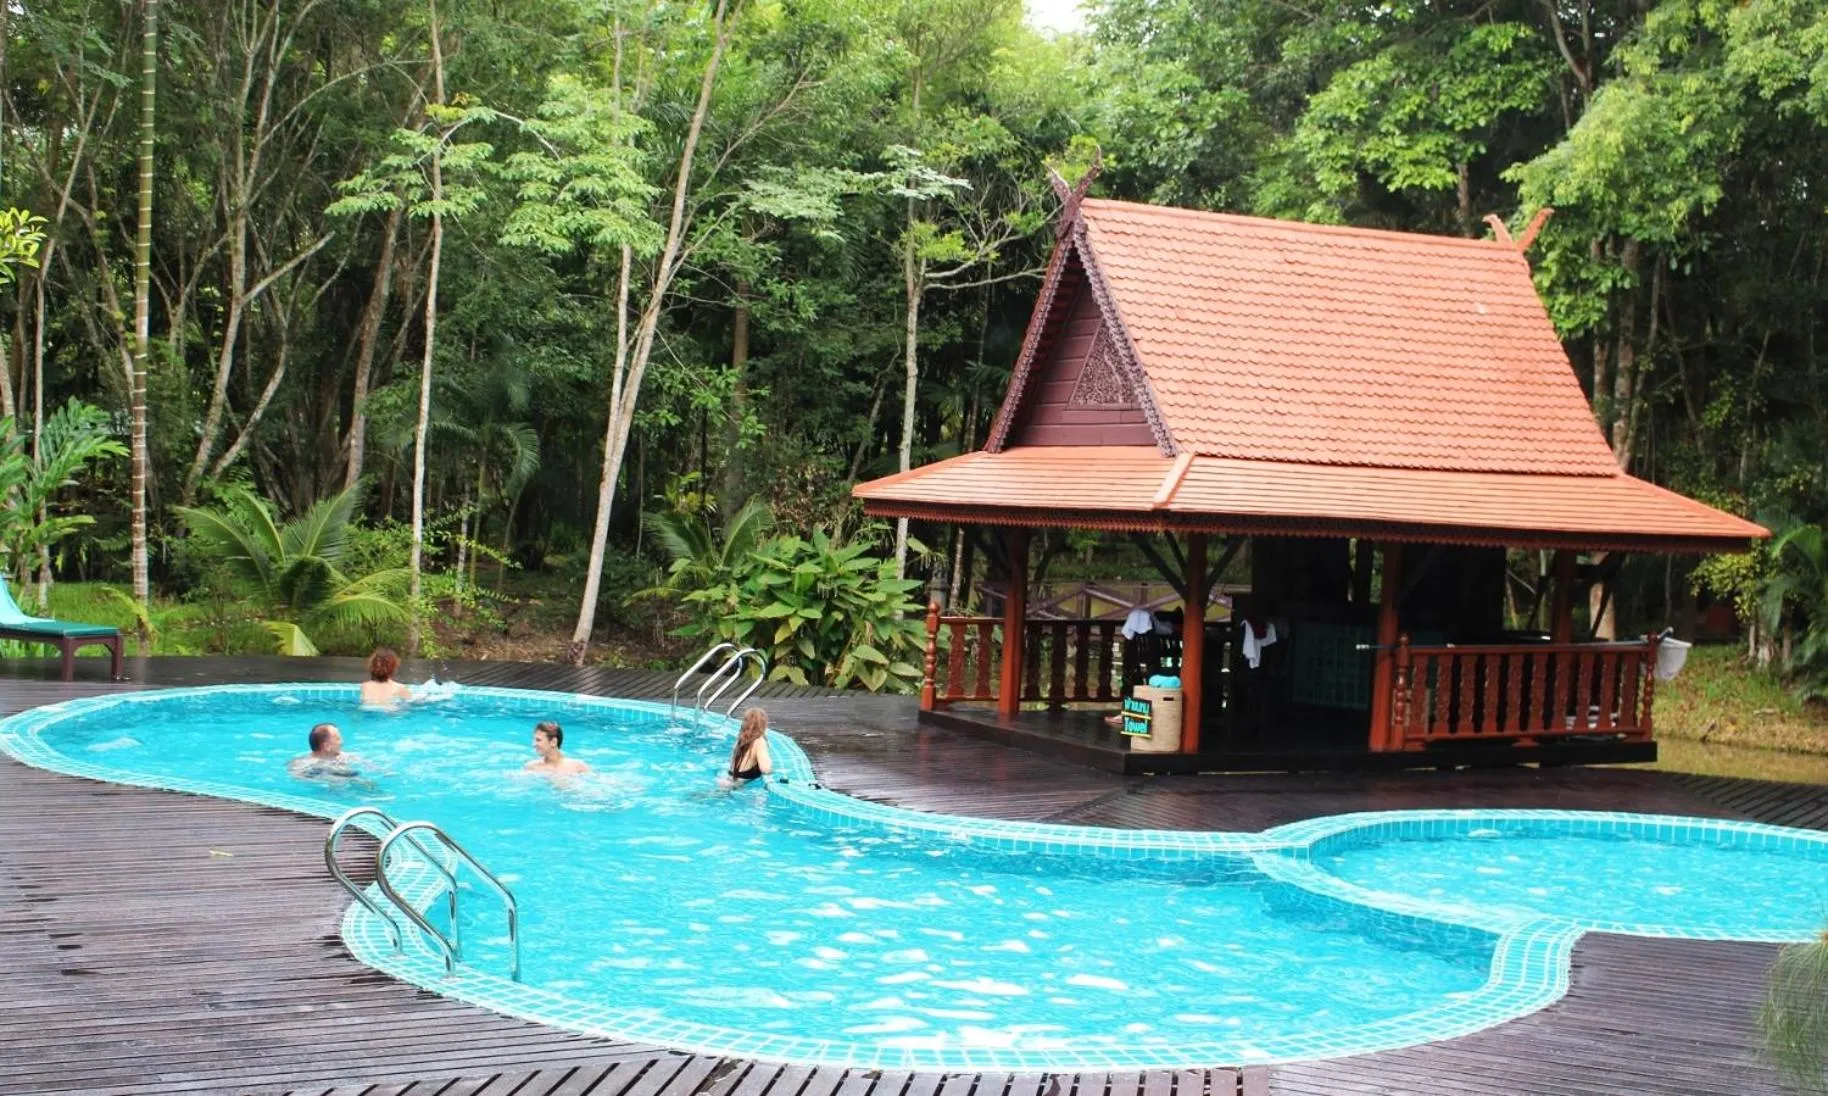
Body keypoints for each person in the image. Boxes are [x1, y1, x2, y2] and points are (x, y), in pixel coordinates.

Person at [288, 722, 361, 780]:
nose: (342, 742)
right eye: (338, 739)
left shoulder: (345, 757)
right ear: (327, 746)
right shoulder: (304, 764)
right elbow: (298, 776)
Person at [524, 720, 590, 776]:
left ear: (553, 742)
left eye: (538, 740)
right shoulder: (531, 768)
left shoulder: (578, 767)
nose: (533, 744)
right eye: (534, 740)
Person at [726, 708, 773, 784]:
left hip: (728, 778)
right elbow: (765, 769)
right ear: (763, 724)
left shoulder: (740, 739)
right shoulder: (759, 741)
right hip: (740, 783)